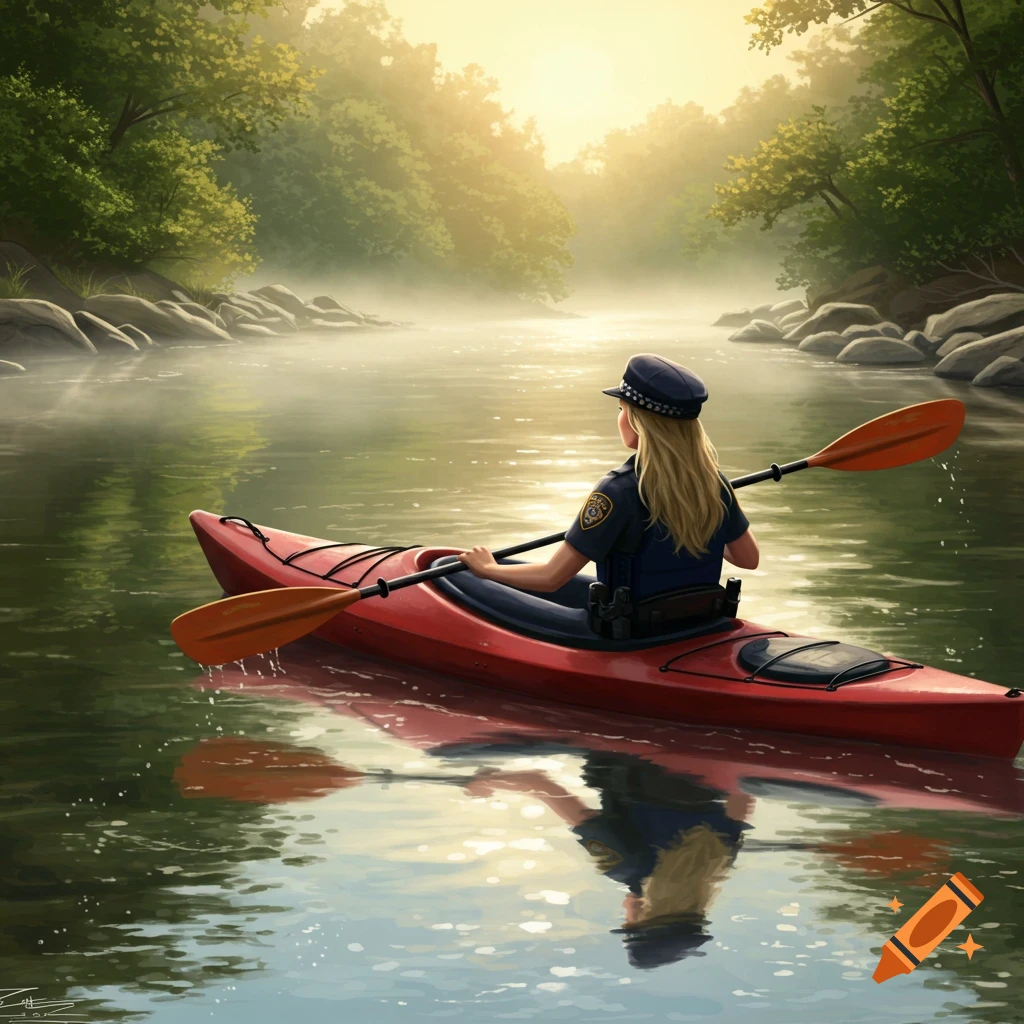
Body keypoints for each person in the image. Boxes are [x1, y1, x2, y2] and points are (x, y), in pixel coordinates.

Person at [458, 354, 759, 604]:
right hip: (696, 618)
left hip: (631, 634)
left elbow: (551, 578)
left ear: (637, 421)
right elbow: (748, 559)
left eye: (621, 409)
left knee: (455, 575)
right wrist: (701, 527)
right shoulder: (714, 484)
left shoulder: (617, 490)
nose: (619, 417)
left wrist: (488, 569)